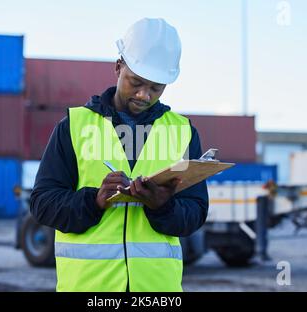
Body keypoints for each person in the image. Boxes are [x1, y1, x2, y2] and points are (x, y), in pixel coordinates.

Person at [30, 18, 209, 292]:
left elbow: (195, 213)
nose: (144, 95)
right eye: (136, 82)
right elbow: (43, 203)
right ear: (118, 67)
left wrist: (163, 206)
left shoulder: (182, 132)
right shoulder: (74, 126)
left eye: (156, 88)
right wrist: (94, 200)